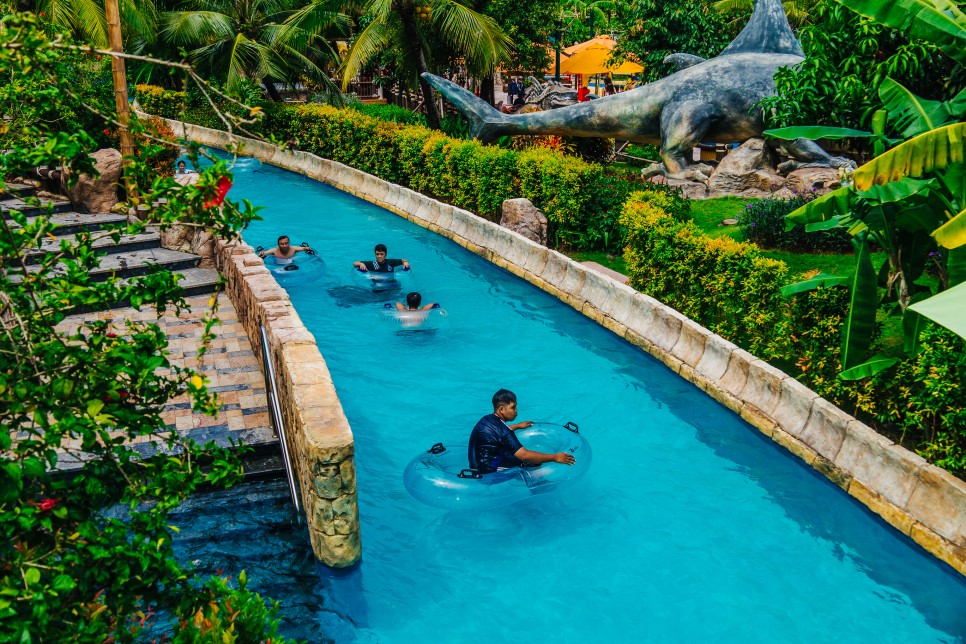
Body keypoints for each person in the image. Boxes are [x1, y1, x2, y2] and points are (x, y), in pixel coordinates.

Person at [468, 389, 576, 474]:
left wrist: (517, 426)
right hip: (488, 471)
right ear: (501, 409)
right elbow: (524, 455)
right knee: (531, 463)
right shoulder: (504, 431)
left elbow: (498, 433)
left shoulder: (487, 419)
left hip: (476, 463)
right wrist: (555, 457)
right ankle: (537, 488)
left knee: (515, 455)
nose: (516, 410)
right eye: (513, 407)